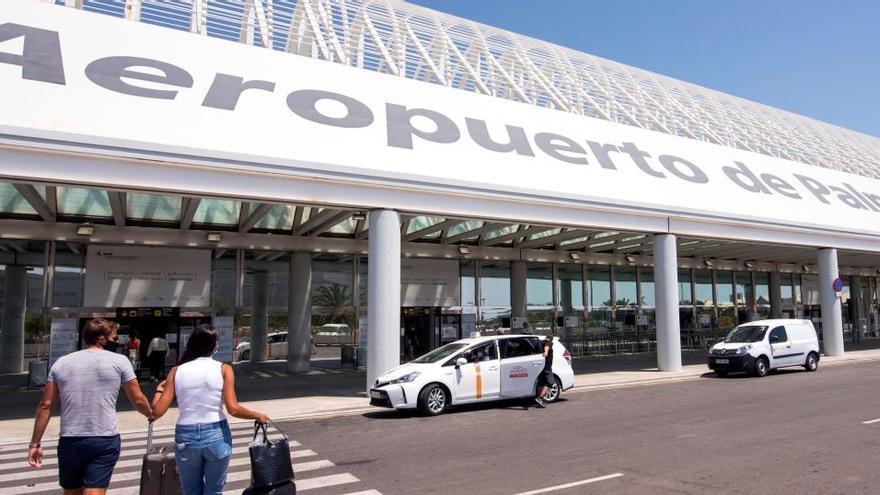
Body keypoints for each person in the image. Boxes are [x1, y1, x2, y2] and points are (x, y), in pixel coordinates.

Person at [28, 318, 152, 495]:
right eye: (114, 336)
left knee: (71, 491)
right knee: (95, 491)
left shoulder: (61, 363)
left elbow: (46, 405)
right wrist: (151, 413)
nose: (115, 340)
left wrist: (35, 443)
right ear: (102, 338)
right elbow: (138, 399)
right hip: (103, 438)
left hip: (70, 439)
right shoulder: (120, 361)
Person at [152, 324, 269, 495]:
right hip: (216, 433)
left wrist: (159, 389)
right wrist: (258, 415)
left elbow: (156, 411)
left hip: (186, 434)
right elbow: (233, 409)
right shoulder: (224, 369)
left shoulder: (176, 371)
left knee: (190, 491)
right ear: (215, 345)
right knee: (214, 491)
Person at [534, 334, 555, 408]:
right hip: (547, 367)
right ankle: (540, 398)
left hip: (540, 366)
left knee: (542, 382)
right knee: (550, 382)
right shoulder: (548, 341)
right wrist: (546, 353)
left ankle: (539, 400)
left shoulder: (539, 342)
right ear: (551, 339)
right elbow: (547, 346)